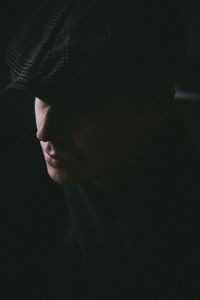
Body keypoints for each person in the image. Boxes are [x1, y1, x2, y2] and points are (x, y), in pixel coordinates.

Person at [1, 0, 200, 298]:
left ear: (155, 107)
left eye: (79, 108)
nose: (44, 132)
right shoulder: (16, 175)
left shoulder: (181, 237)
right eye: (41, 96)